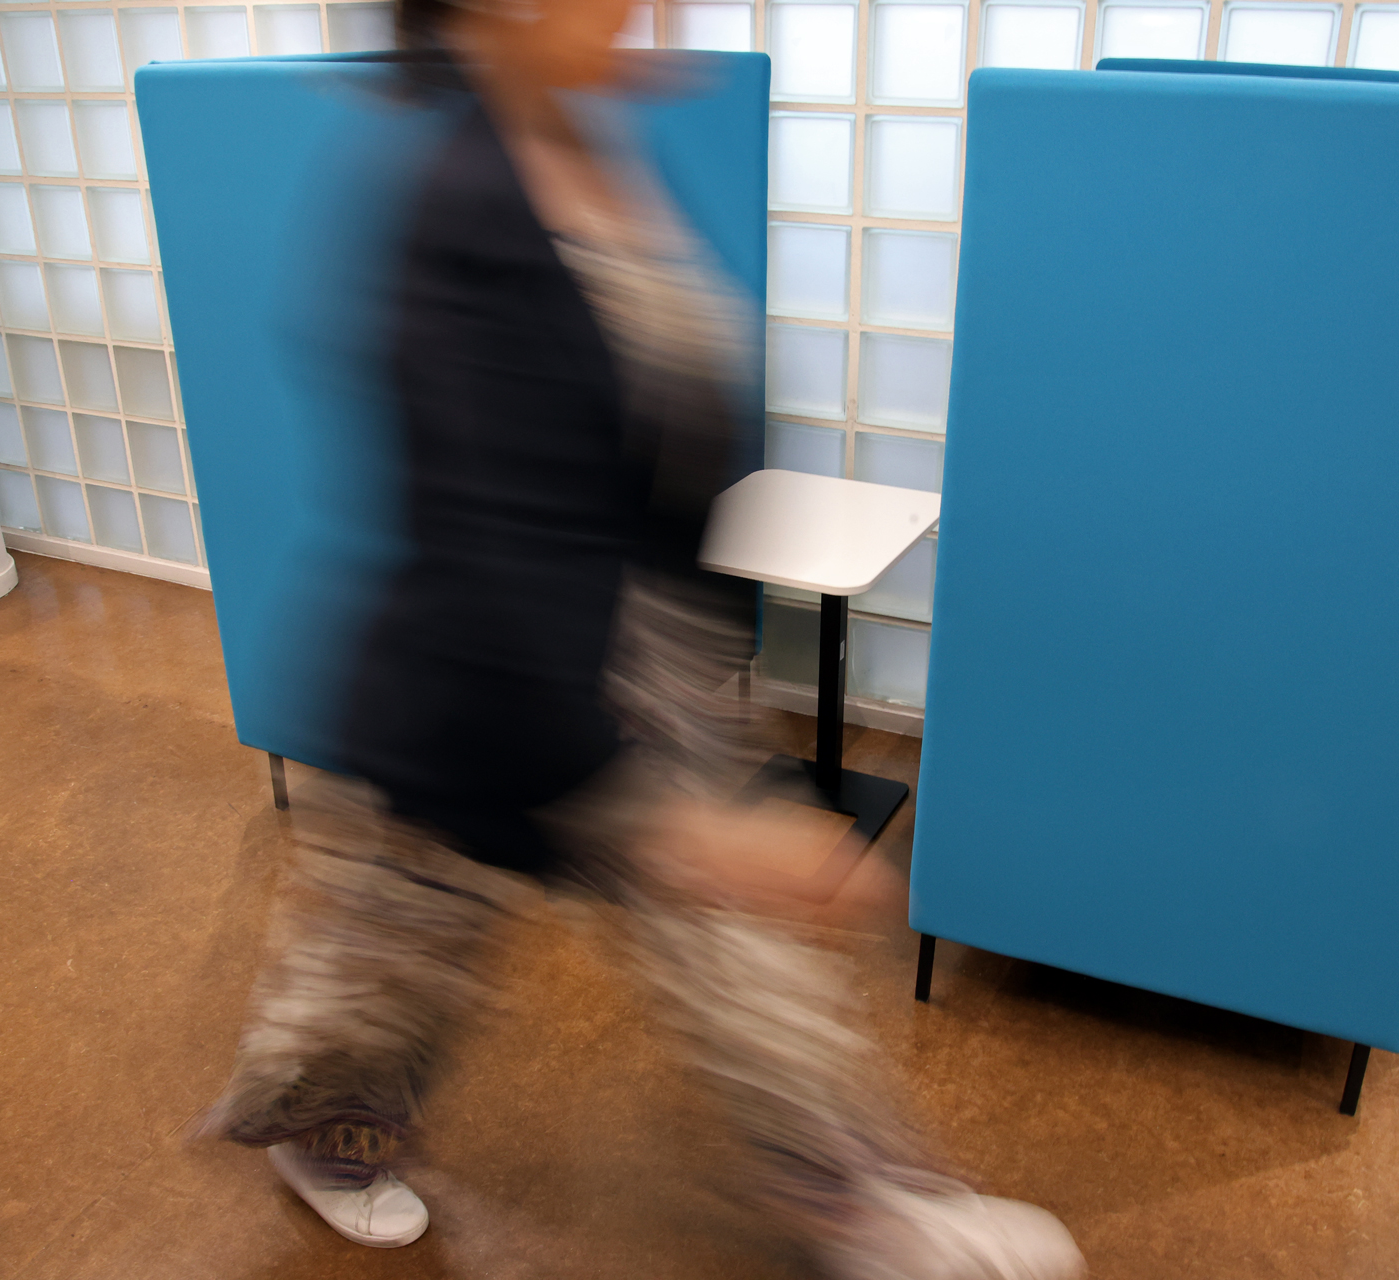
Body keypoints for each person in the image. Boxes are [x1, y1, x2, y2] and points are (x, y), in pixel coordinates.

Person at [198, 2, 1086, 1276]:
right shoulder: (452, 201)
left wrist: (699, 694)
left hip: (635, 659)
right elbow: (485, 531)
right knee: (388, 957)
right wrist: (654, 805)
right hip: (493, 676)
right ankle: (323, 1137)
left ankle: (866, 1204)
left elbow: (658, 439)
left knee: (731, 955)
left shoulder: (592, 146)